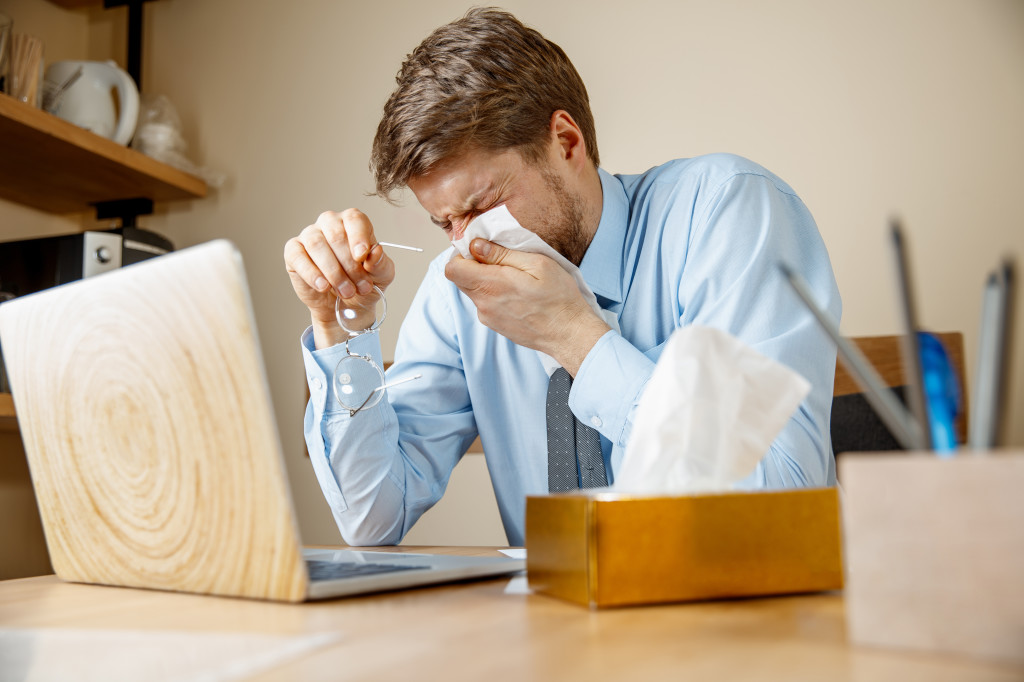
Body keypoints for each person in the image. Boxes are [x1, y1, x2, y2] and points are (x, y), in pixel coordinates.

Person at [283, 8, 841, 547]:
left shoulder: (725, 209)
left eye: (482, 206)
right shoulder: (454, 293)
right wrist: (343, 325)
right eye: (444, 223)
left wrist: (575, 338)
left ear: (565, 142)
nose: (466, 242)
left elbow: (780, 505)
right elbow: (372, 514)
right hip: (554, 632)